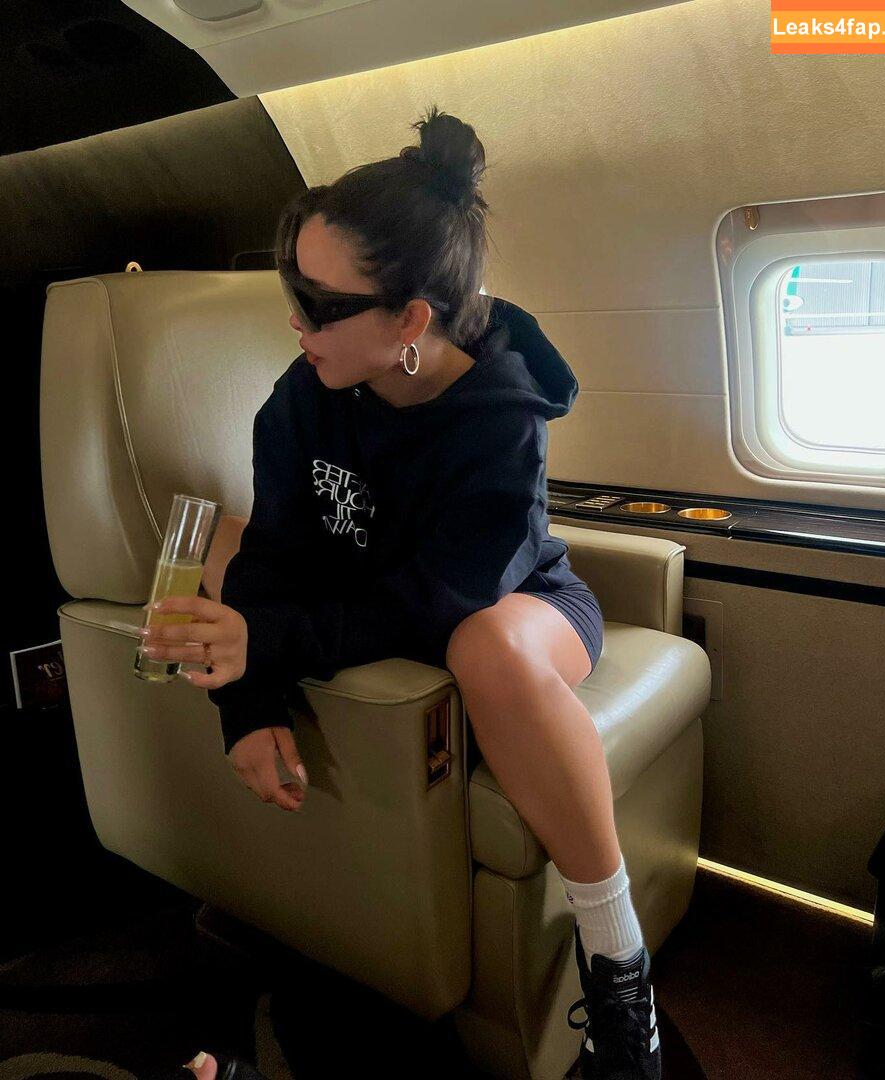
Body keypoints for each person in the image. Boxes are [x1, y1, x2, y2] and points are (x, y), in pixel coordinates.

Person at [137, 105, 660, 1080]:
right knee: (220, 537)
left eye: (321, 305)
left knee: (483, 648)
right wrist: (247, 704)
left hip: (515, 608)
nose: (295, 323)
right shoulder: (301, 397)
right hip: (372, 593)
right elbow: (274, 557)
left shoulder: (498, 414)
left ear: (410, 321)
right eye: (292, 290)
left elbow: (445, 599)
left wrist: (271, 640)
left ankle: (619, 968)